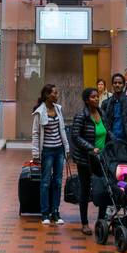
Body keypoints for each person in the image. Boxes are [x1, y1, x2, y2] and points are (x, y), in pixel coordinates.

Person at [70, 86, 109, 235]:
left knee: (105, 188)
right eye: (93, 97)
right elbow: (75, 136)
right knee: (85, 190)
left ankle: (101, 221)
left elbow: (107, 132)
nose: (96, 99)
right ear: (86, 100)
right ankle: (84, 223)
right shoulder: (81, 116)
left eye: (97, 97)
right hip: (86, 159)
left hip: (101, 158)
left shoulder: (102, 113)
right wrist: (90, 148)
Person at [31, 84, 70, 226]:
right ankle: (45, 213)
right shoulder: (39, 112)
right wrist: (35, 153)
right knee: (46, 182)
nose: (57, 95)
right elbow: (35, 133)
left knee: (58, 182)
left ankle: (56, 212)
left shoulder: (58, 109)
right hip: (47, 151)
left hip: (59, 150)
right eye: (54, 93)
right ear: (47, 95)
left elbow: (62, 130)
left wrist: (66, 147)